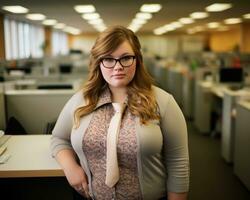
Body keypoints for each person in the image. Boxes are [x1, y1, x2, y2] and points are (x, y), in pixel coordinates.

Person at [50, 25, 189, 200]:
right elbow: (58, 138)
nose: (117, 67)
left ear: (137, 60)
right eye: (108, 59)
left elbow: (178, 163)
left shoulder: (164, 102)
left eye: (125, 58)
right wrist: (70, 167)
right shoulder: (82, 100)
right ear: (99, 62)